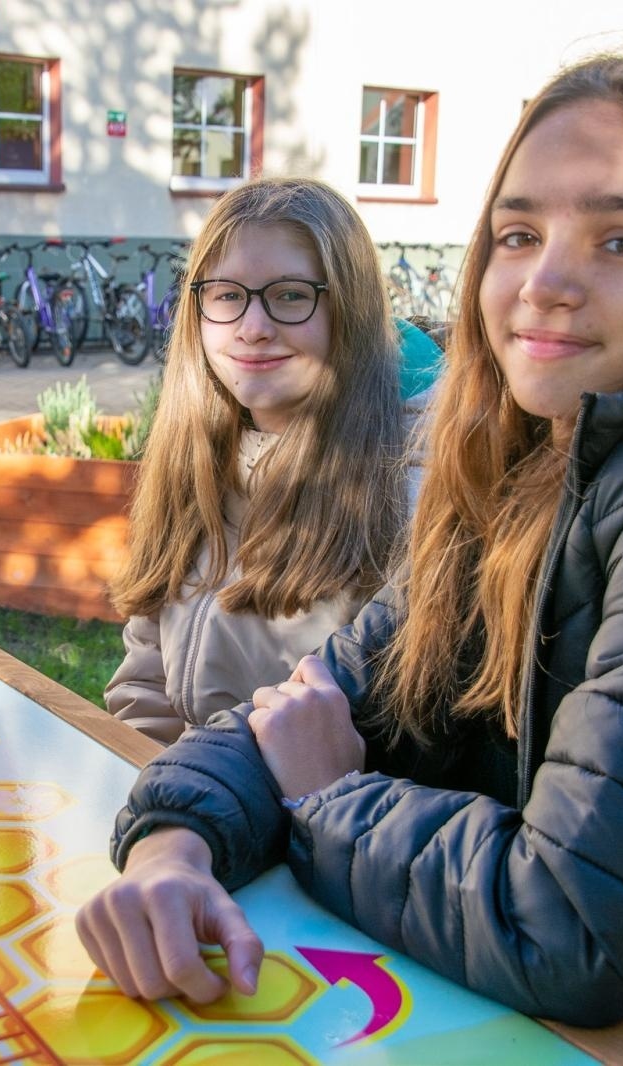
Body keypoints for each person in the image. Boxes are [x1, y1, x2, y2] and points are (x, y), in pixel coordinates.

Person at [75, 53, 623, 1064]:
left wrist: (327, 800)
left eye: (622, 239)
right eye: (517, 234)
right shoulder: (531, 462)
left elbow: (582, 926)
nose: (544, 284)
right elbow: (315, 700)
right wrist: (174, 847)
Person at [103, 177, 418, 744]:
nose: (252, 329)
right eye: (227, 295)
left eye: (291, 295)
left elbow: (375, 742)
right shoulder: (194, 460)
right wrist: (147, 778)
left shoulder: (402, 491)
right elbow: (144, 684)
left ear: (350, 310)